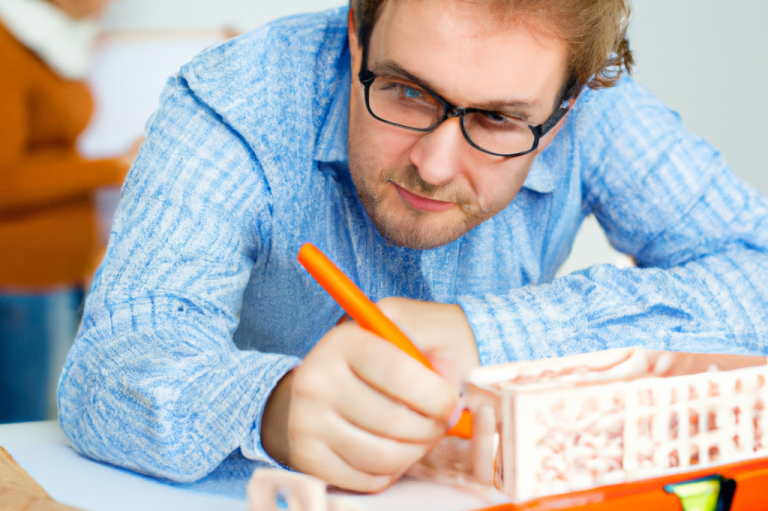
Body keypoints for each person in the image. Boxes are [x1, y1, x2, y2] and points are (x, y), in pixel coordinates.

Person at [58, 0, 768, 494]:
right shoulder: (238, 100)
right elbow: (107, 373)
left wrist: (483, 333)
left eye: (497, 119)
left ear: (564, 111)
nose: (433, 164)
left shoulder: (596, 107)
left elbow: (757, 270)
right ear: (356, 36)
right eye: (405, 91)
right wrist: (274, 408)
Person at [0, 0, 128, 423]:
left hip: (57, 277)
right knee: (27, 426)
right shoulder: (8, 47)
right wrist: (112, 168)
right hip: (23, 282)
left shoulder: (52, 44)